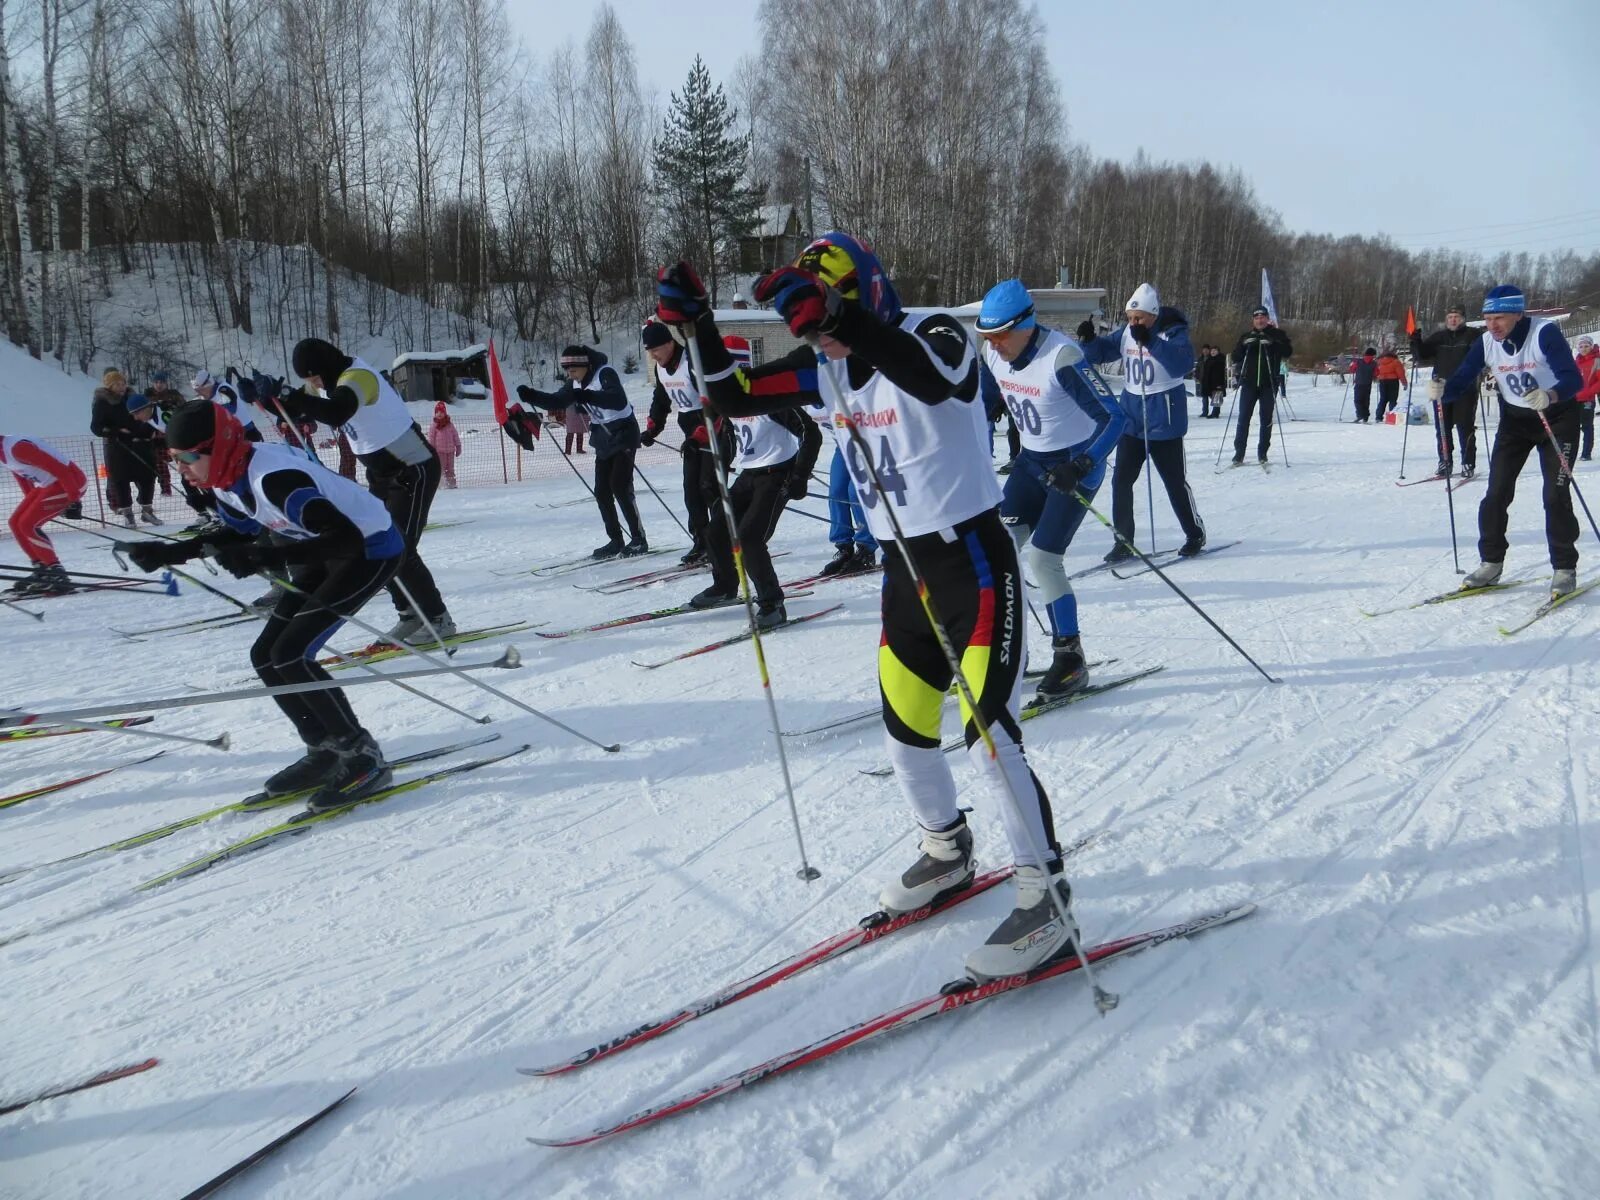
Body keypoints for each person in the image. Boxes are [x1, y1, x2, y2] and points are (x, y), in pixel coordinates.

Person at [660, 239, 1085, 979]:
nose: (819, 335)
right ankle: (946, 848)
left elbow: (934, 381)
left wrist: (842, 318)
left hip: (973, 566)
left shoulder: (933, 332)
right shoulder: (828, 366)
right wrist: (697, 326)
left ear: (867, 294)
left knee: (990, 735)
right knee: (905, 735)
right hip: (904, 576)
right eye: (811, 322)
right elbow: (729, 398)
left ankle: (1045, 890)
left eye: (826, 315)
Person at [120, 399, 404, 811]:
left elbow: (346, 538)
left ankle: (362, 757)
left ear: (217, 450)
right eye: (173, 458)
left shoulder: (275, 479)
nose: (180, 467)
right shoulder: (225, 480)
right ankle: (324, 751)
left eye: (185, 457)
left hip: (370, 549)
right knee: (265, 656)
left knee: (292, 654)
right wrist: (170, 553)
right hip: (322, 551)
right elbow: (239, 532)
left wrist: (264, 557)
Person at [971, 279, 1124, 697]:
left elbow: (1116, 418)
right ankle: (1005, 653)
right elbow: (983, 407)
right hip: (1031, 463)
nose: (994, 343)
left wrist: (1083, 463)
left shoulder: (1062, 358)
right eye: (987, 335)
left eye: (1000, 334)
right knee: (995, 550)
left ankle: (1070, 659)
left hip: (1075, 465)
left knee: (1042, 559)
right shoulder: (993, 354)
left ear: (1025, 325)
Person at [278, 337, 456, 645]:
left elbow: (336, 412)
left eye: (315, 378)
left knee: (400, 547)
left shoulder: (357, 377)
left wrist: (293, 397)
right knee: (376, 543)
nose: (314, 385)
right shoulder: (323, 383)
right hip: (380, 472)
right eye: (309, 382)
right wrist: (272, 399)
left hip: (412, 468)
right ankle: (410, 615)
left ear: (326, 367)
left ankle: (438, 618)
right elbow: (308, 411)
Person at [1445, 285, 1585, 599]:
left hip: (1557, 419)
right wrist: (1444, 391)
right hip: (1515, 423)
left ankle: (1564, 567)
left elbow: (1574, 378)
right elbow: (1464, 375)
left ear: (1519, 314)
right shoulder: (1485, 342)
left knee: (1554, 494)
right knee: (1495, 494)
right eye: (1487, 317)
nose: (1492, 325)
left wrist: (1550, 394)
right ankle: (1491, 562)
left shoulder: (1544, 333)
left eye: (1500, 318)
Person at [695, 334, 822, 624]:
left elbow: (810, 432)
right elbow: (729, 438)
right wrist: (714, 476)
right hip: (748, 473)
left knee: (750, 538)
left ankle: (772, 603)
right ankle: (725, 587)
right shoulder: (728, 399)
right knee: (715, 531)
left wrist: (799, 476)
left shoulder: (766, 398)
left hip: (776, 475)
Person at [1079, 283, 1205, 561]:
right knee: (1121, 480)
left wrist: (1150, 340)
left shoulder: (1172, 331)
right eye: (1130, 318)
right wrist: (1089, 341)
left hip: (1165, 418)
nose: (1133, 323)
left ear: (1153, 315)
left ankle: (1194, 533)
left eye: (1139, 318)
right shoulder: (1126, 332)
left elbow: (1181, 364)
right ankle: (1123, 540)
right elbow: (1101, 353)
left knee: (1174, 482)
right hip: (1132, 418)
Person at [518, 345, 647, 559]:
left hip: (623, 432)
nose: (571, 375)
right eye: (568, 372)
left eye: (574, 370)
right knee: (602, 491)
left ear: (585, 365)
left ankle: (638, 539)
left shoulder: (604, 373)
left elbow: (618, 400)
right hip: (603, 437)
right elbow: (557, 401)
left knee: (620, 486)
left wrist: (586, 396)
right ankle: (616, 540)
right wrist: (531, 395)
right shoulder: (575, 383)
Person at [641, 318, 731, 568]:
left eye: (656, 349)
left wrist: (698, 436)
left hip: (715, 430)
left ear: (670, 343)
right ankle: (701, 542)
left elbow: (713, 405)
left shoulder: (692, 362)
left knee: (708, 487)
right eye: (649, 351)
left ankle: (721, 541)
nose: (653, 355)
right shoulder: (661, 369)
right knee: (691, 491)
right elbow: (661, 400)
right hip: (692, 432)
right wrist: (652, 428)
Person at [0, 433, 86, 595]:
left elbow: (61, 469)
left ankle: (57, 574)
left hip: (71, 482)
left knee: (28, 524)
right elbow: (22, 476)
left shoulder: (18, 448)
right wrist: (34, 507)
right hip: (48, 485)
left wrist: (74, 501)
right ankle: (41, 569)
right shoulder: (3, 451)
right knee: (16, 522)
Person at [1411, 305, 1480, 477]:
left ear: (1463, 318)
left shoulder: (1472, 335)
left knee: (1465, 427)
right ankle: (1445, 461)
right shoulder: (1439, 337)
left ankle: (1468, 463)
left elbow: (1482, 355)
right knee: (1442, 428)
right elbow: (1422, 355)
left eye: (1456, 316)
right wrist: (1415, 340)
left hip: (1465, 388)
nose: (1453, 320)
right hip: (1441, 388)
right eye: (1450, 317)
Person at [90, 370, 160, 526]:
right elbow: (96, 427)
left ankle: (147, 511)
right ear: (110, 386)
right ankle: (128, 514)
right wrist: (116, 431)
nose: (121, 387)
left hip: (140, 442)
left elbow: (146, 416)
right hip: (118, 446)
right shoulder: (103, 402)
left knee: (148, 476)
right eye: (117, 384)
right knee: (121, 480)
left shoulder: (133, 398)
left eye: (123, 383)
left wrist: (149, 432)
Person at [1229, 306, 1292, 463]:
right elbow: (1235, 357)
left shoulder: (1278, 334)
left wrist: (1273, 343)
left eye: (1262, 317)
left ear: (1267, 318)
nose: (1259, 320)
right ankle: (1239, 453)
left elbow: (1288, 352)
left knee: (1266, 419)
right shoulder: (1246, 335)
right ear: (1253, 320)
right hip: (1249, 383)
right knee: (1243, 418)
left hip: (1269, 383)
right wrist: (1244, 345)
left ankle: (1262, 452)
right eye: (1256, 318)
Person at [1573, 335, 1598, 461]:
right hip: (1574, 399)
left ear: (1591, 346)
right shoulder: (1576, 361)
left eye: (1586, 346)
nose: (1583, 349)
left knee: (1587, 426)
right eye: (1581, 346)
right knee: (1573, 426)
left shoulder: (1597, 361)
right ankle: (1570, 453)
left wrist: (1589, 391)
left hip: (1588, 399)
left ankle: (1586, 453)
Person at [427, 402, 461, 488]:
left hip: (450, 451)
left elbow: (455, 435)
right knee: (441, 468)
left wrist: (458, 446)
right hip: (439, 451)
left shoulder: (450, 425)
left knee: (450, 468)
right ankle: (442, 484)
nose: (439, 414)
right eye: (437, 412)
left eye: (441, 412)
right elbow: (431, 438)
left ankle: (452, 483)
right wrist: (432, 450)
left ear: (445, 413)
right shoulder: (434, 426)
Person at [1373, 348, 1407, 422]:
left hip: (1382, 381)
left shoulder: (1380, 362)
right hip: (1393, 381)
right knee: (1393, 399)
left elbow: (1377, 372)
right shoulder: (1396, 362)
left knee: (1383, 399)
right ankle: (1392, 416)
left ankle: (1378, 416)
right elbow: (1401, 373)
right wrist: (1404, 383)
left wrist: (1378, 377)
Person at [1196, 343, 1228, 418]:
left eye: (1215, 351)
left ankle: (1215, 413)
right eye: (1212, 351)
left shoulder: (1220, 360)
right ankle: (1213, 412)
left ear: (1218, 352)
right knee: (1214, 397)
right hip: (1210, 382)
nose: (1213, 352)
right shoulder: (1209, 360)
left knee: (1217, 397)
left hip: (1218, 382)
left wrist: (1220, 383)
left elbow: (1221, 373)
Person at [1351, 348, 1378, 423]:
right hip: (1368, 383)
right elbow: (1376, 373)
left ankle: (1360, 415)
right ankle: (1365, 416)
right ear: (1373, 355)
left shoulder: (1358, 361)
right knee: (1366, 400)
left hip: (1359, 383)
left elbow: (1352, 369)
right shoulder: (1374, 363)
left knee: (1357, 400)